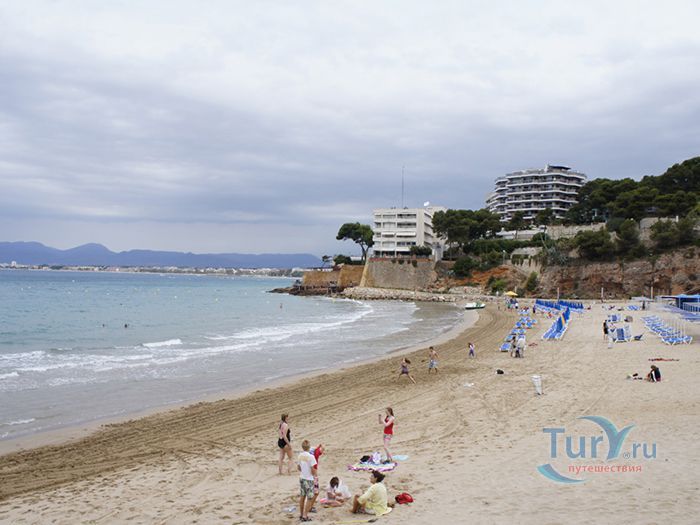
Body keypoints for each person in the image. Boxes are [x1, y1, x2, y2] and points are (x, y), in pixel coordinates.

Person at [298, 439, 318, 522]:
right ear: (309, 447)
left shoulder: (300, 455)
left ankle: (301, 514)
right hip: (309, 479)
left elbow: (299, 467)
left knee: (302, 497)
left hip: (302, 477)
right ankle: (305, 516)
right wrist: (315, 475)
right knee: (310, 497)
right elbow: (313, 469)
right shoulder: (311, 457)